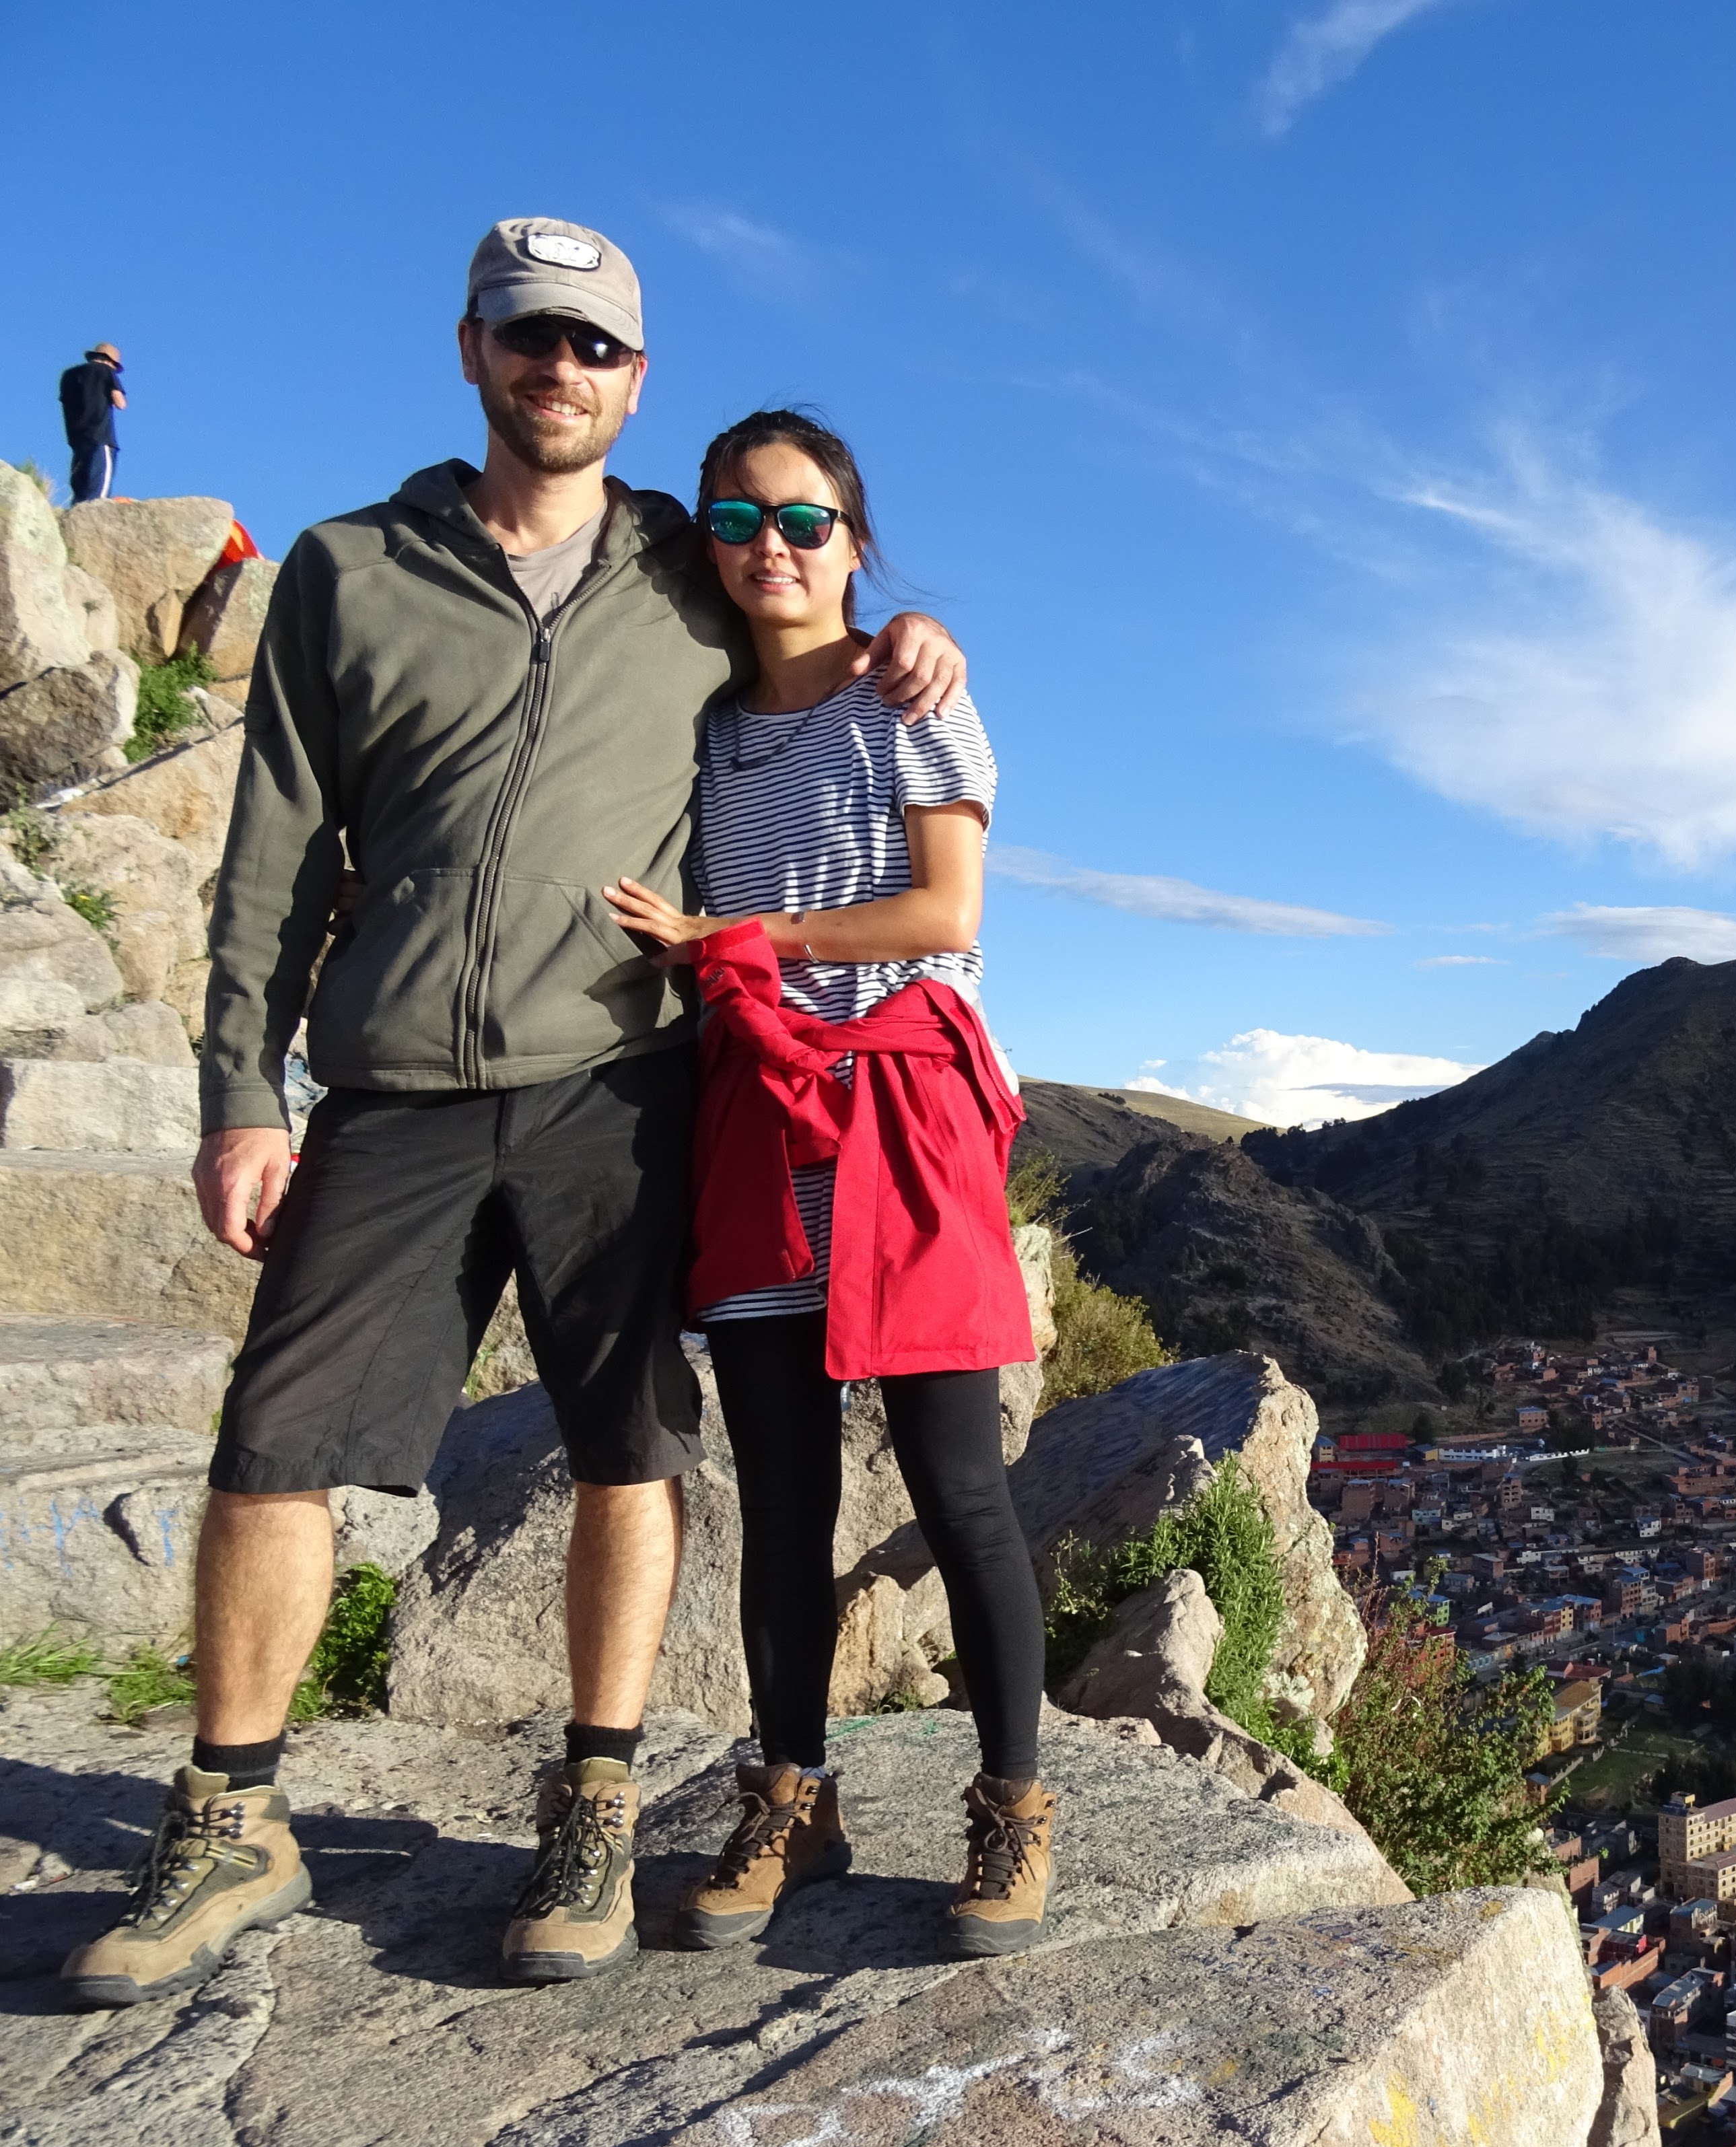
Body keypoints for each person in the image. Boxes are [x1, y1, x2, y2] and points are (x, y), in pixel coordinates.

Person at [59, 219, 966, 2011]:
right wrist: (243, 1094)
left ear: (636, 379)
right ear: (469, 351)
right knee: (273, 1446)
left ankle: (600, 1801)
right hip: (390, 1085)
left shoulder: (690, 568)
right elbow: (277, 858)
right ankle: (234, 1811)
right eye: (527, 336)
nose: (561, 367)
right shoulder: (347, 568)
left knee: (629, 1444)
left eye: (597, 347)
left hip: (616, 1083)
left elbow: (814, 608)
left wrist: (909, 635)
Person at [602, 409, 1055, 1959]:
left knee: (957, 1481)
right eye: (741, 517)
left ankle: (1011, 1805)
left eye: (806, 521)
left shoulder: (907, 697)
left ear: (856, 543)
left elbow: (944, 906)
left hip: (898, 1112)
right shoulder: (704, 721)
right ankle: (792, 1797)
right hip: (754, 1118)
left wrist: (747, 944)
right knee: (781, 1496)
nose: (772, 546)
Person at [59, 343, 125, 503]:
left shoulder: (68, 375)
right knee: (98, 494)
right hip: (100, 437)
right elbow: (120, 403)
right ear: (110, 362)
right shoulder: (105, 372)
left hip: (76, 438)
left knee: (80, 490)